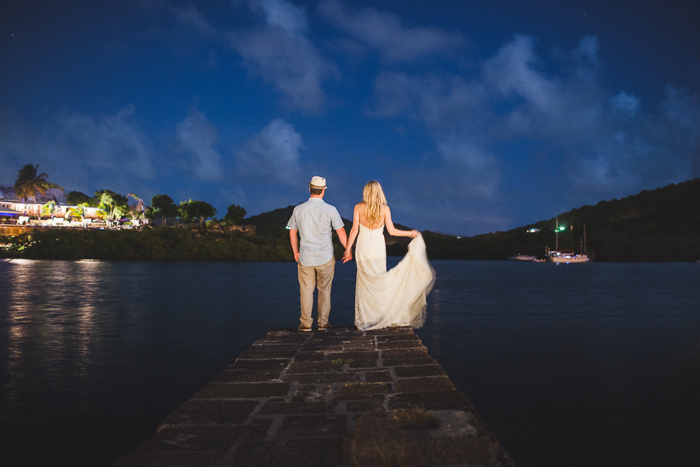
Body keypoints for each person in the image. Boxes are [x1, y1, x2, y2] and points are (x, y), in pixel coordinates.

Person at [343, 180, 435, 330]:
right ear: (380, 192)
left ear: (366, 192)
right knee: (380, 280)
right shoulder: (385, 209)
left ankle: (366, 319)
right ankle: (380, 317)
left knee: (365, 282)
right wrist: (410, 233)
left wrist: (348, 250)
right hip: (378, 247)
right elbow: (392, 231)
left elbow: (354, 230)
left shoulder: (358, 207)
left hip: (363, 246)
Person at [288, 176, 348, 332]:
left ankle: (306, 324)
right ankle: (322, 323)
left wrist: (295, 251)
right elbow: (340, 231)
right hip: (326, 257)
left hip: (305, 257)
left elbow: (292, 232)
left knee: (306, 291)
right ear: (323, 191)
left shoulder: (298, 209)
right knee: (324, 290)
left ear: (309, 189)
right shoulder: (330, 209)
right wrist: (348, 249)